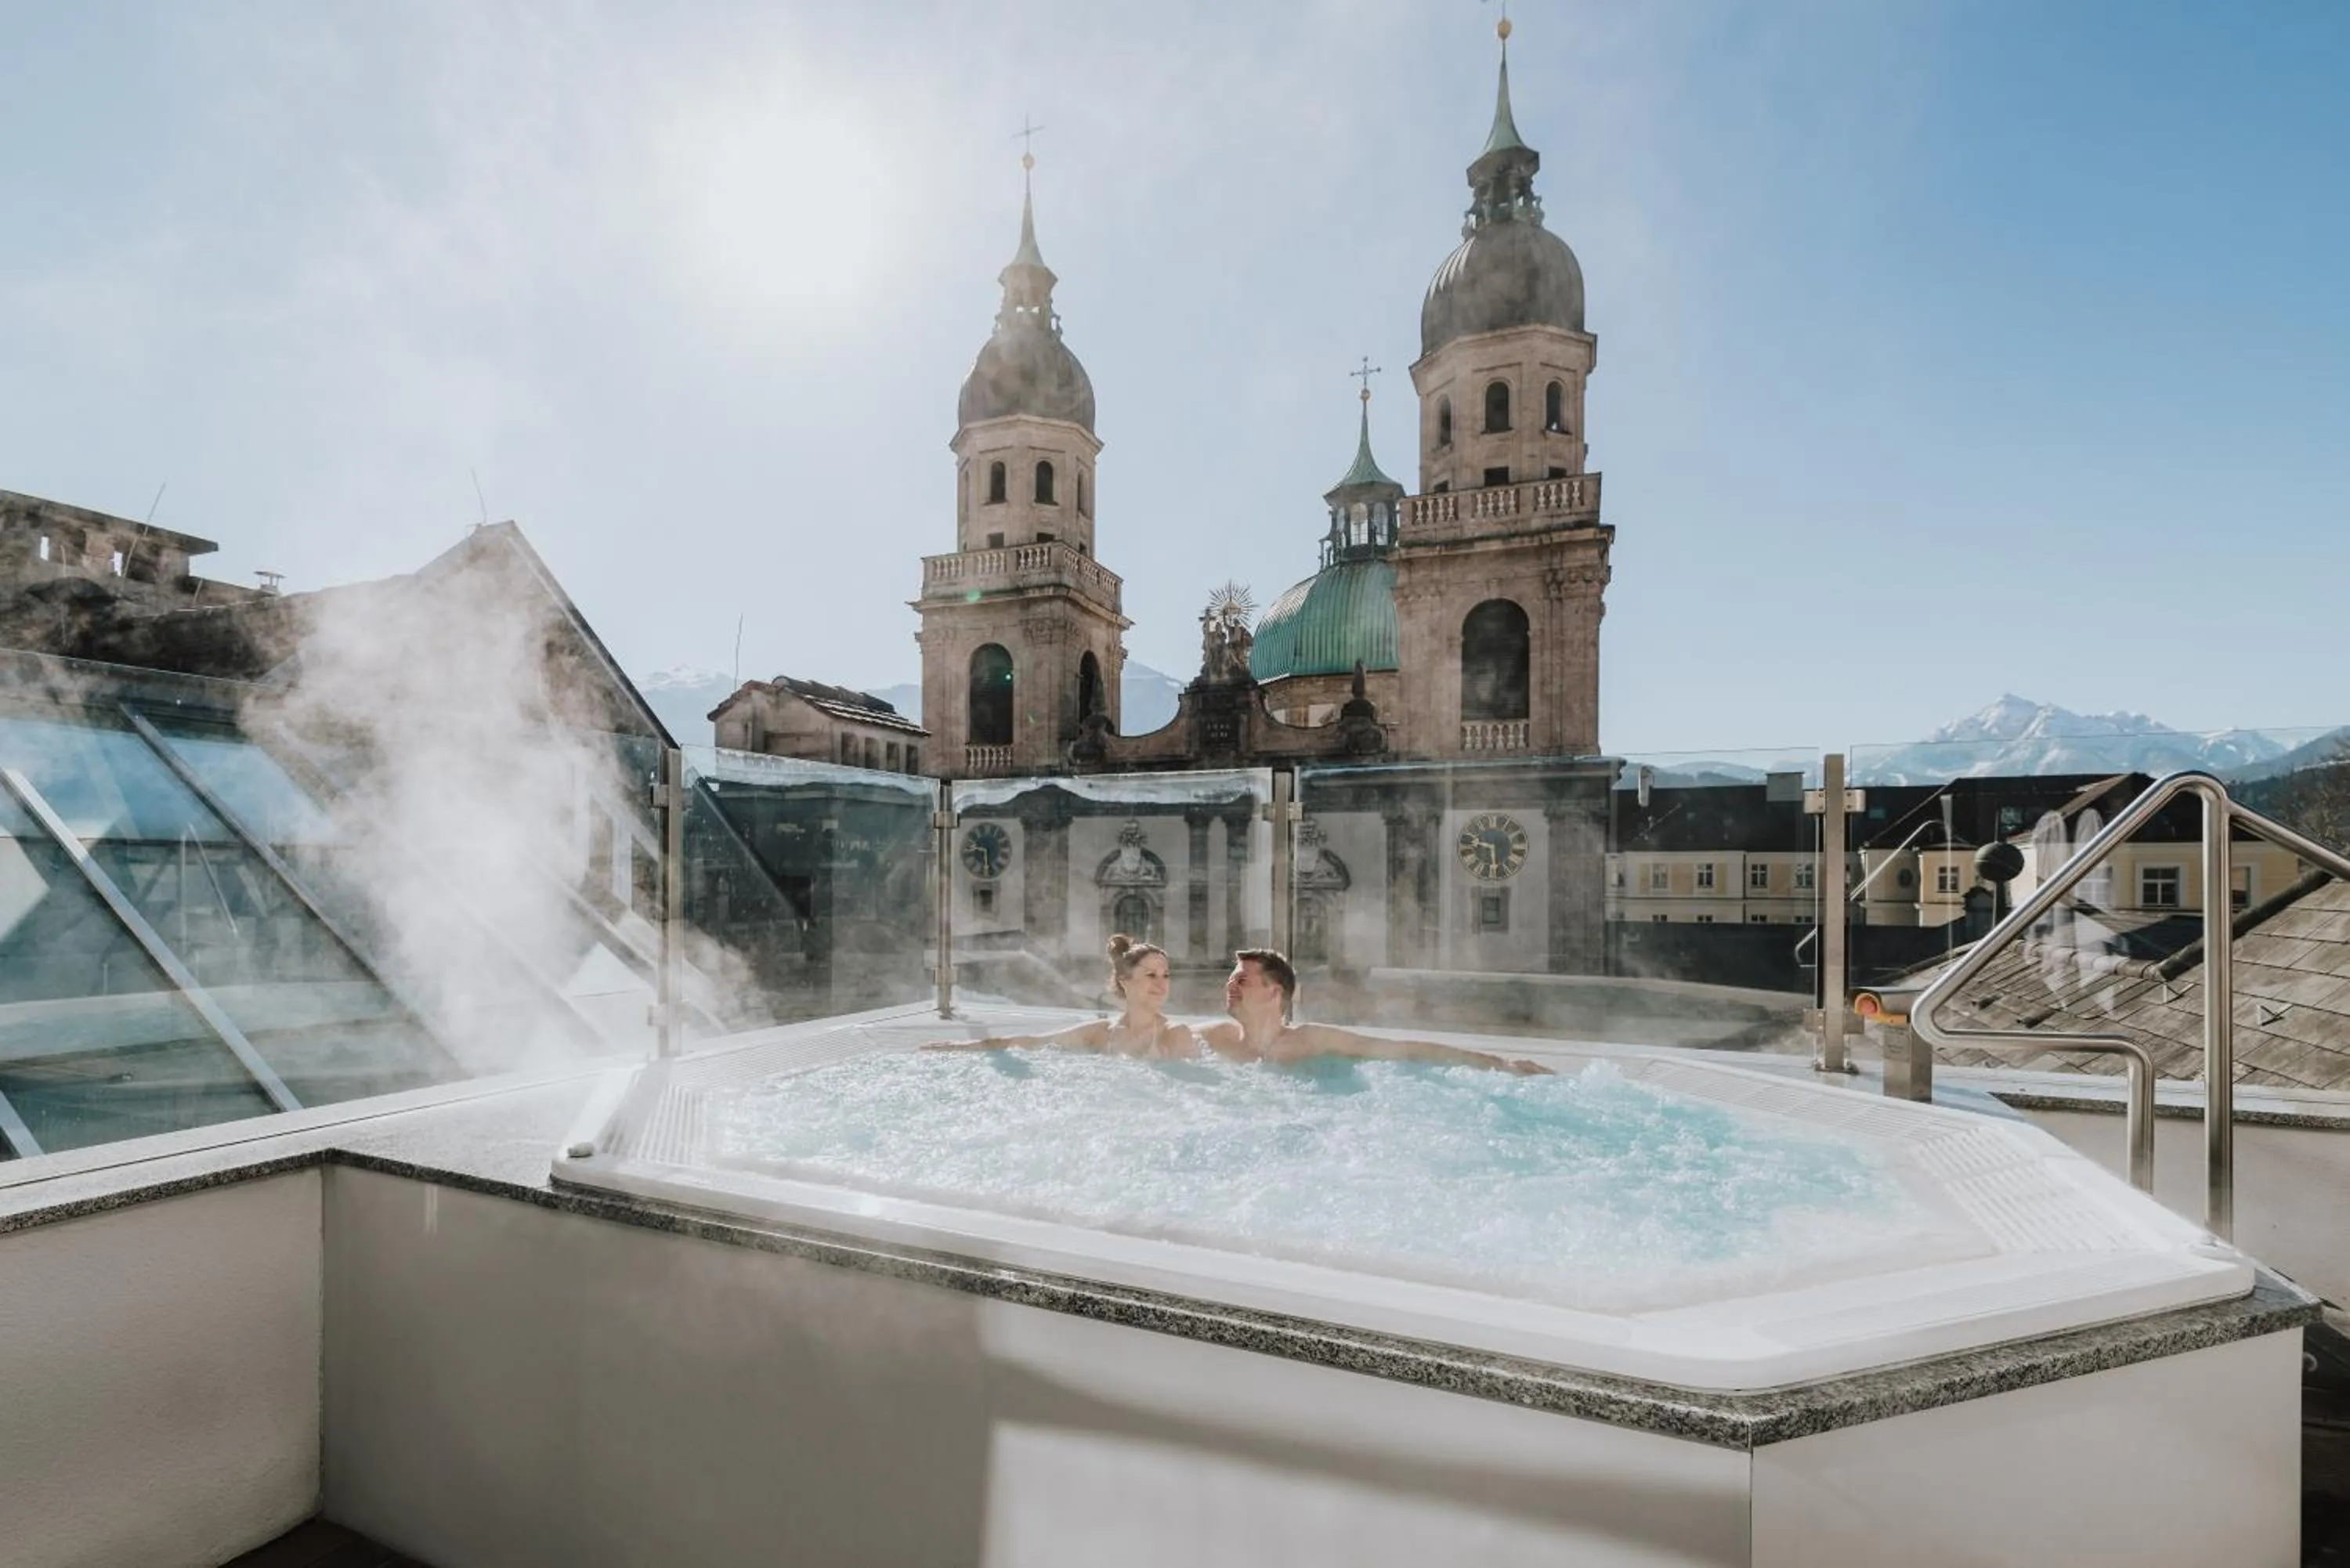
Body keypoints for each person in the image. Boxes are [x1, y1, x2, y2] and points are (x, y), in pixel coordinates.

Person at [1196, 948, 1549, 1075]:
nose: (1231, 986)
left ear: (1275, 992)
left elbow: (1406, 1051)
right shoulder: (1214, 1039)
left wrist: (1500, 1065)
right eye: (1231, 979)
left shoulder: (1310, 1041)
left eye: (1242, 981)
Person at [924, 934, 1197, 1060]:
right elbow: (1032, 1043)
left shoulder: (1175, 1035)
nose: (1161, 984)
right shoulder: (1103, 1033)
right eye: (1151, 975)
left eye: (1166, 975)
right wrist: (960, 1048)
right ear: (1125, 981)